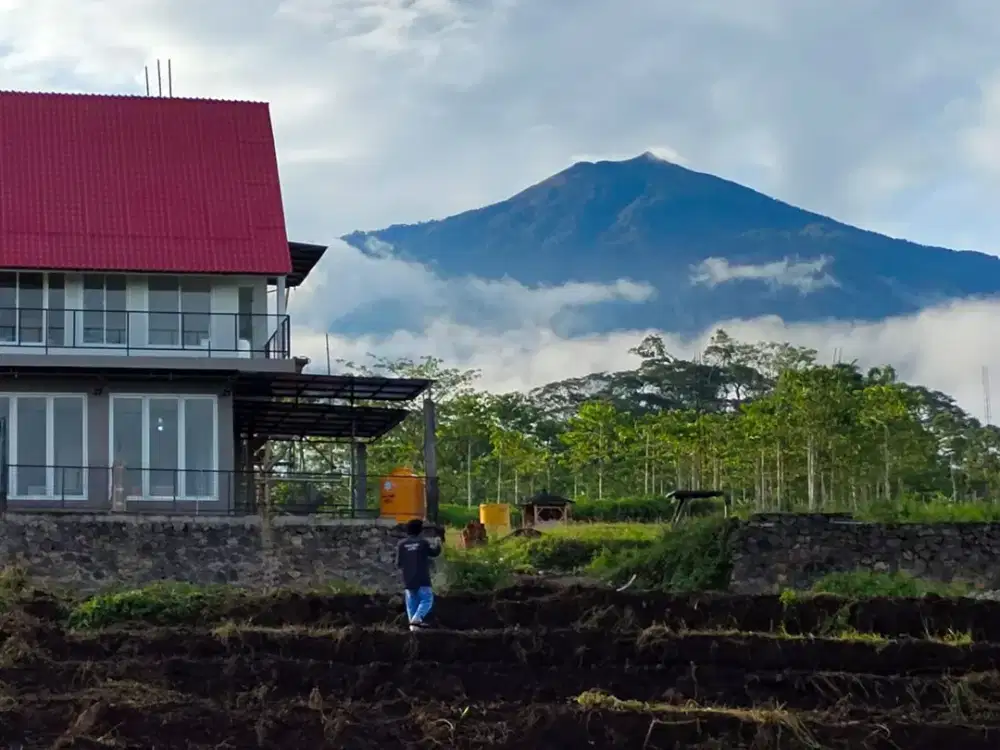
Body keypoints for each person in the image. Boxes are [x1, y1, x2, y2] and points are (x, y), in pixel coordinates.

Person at [395, 518, 442, 631]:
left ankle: (413, 631)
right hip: (422, 579)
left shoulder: (401, 544)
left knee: (412, 605)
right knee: (427, 600)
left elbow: (398, 564)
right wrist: (438, 544)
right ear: (420, 531)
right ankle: (417, 619)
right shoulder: (422, 543)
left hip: (408, 580)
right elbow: (434, 553)